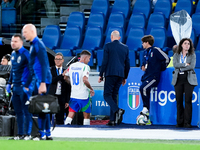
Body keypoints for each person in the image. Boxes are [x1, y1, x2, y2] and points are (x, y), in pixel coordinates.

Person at [22, 24, 52, 140]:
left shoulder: (38, 44)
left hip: (43, 80)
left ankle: (42, 133)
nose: (24, 34)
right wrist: (28, 83)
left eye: (25, 32)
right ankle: (47, 133)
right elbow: (32, 66)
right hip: (38, 79)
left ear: (31, 31)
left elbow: (44, 64)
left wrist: (43, 82)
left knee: (42, 107)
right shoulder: (33, 45)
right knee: (43, 107)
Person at [98, 30, 130, 126]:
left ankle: (117, 110)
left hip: (110, 73)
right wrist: (125, 76)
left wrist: (101, 74)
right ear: (119, 37)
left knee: (107, 95)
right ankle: (113, 120)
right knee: (114, 96)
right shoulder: (125, 47)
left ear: (111, 37)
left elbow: (105, 61)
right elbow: (127, 64)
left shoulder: (108, 46)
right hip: (120, 74)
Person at [7, 34, 32, 140]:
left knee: (26, 111)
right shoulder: (12, 54)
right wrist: (9, 83)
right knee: (18, 112)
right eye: (12, 41)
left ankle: (28, 134)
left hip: (24, 87)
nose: (13, 43)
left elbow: (32, 71)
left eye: (15, 41)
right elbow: (13, 70)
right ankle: (20, 134)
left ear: (21, 42)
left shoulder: (27, 54)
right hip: (15, 87)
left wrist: (27, 86)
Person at [139, 35, 169, 125]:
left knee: (143, 88)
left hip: (154, 76)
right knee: (144, 90)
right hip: (147, 75)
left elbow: (166, 58)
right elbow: (144, 63)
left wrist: (161, 68)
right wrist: (143, 66)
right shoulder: (145, 52)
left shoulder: (156, 50)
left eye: (143, 42)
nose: (142, 44)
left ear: (147, 42)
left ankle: (145, 108)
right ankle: (147, 114)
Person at [63, 50, 95, 125]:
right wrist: (91, 89)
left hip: (74, 95)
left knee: (70, 115)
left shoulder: (71, 66)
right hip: (83, 95)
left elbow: (65, 76)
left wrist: (72, 84)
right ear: (85, 58)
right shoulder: (85, 67)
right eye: (89, 58)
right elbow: (85, 80)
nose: (89, 60)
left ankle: (65, 130)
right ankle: (87, 133)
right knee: (86, 116)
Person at [171, 38, 197, 128]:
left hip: (189, 78)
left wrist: (181, 67)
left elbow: (192, 66)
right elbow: (175, 65)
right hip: (178, 78)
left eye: (188, 44)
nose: (187, 45)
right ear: (181, 45)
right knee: (179, 100)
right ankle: (179, 121)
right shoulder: (176, 55)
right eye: (185, 43)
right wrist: (185, 64)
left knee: (188, 101)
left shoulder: (192, 55)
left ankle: (187, 122)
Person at [49, 52, 71, 125]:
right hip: (52, 95)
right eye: (56, 59)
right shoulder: (50, 69)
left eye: (59, 59)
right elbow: (52, 80)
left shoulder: (66, 71)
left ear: (62, 60)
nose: (58, 61)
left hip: (62, 96)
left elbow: (68, 87)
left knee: (60, 116)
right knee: (49, 113)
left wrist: (67, 100)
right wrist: (62, 75)